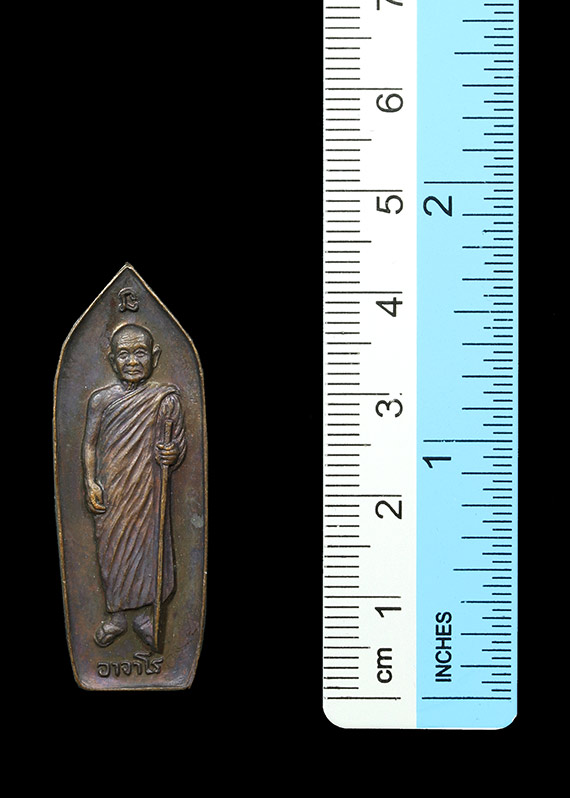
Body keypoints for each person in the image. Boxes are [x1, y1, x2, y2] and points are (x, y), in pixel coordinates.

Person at [82, 323, 186, 648]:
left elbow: (177, 444)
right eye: (123, 354)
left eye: (140, 353)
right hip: (113, 491)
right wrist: (89, 482)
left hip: (148, 490)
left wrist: (172, 453)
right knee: (111, 551)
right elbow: (89, 444)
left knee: (146, 550)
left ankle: (144, 616)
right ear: (111, 359)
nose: (132, 361)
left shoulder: (165, 399)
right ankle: (115, 616)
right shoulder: (101, 400)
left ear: (155, 356)